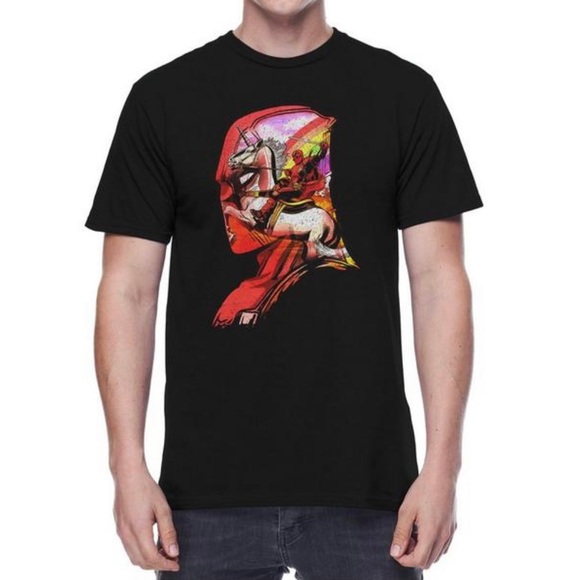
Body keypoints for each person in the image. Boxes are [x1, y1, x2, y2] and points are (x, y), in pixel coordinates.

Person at [84, 1, 483, 578]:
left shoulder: (403, 93)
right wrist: (126, 466)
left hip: (370, 497)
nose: (238, 201)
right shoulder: (163, 98)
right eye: (234, 181)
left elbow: (439, 283)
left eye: (254, 177)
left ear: (302, 178)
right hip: (201, 499)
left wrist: (444, 468)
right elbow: (128, 290)